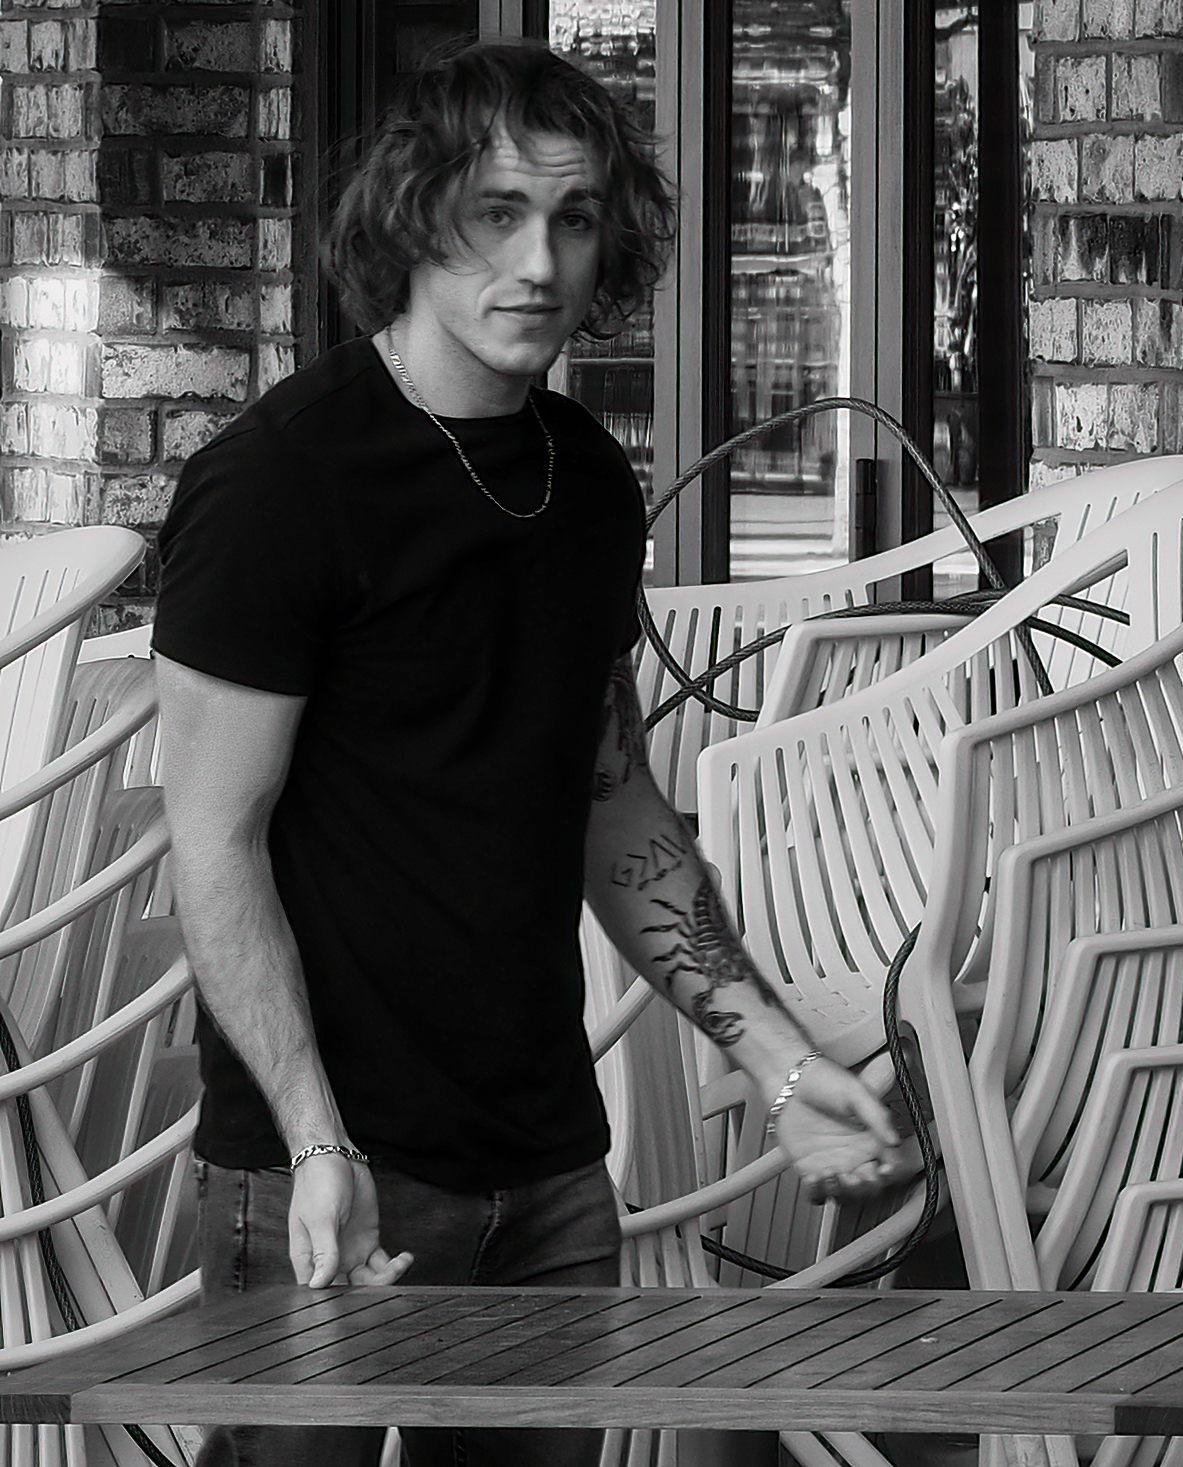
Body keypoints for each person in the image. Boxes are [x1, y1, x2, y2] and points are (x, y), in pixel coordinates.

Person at [152, 37, 901, 1467]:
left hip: (548, 1164)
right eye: (496, 213)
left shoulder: (586, 476)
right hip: (332, 1166)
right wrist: (314, 1142)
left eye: (573, 218)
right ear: (411, 218)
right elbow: (213, 844)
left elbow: (611, 803)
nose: (539, 262)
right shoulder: (278, 484)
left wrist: (781, 1064)